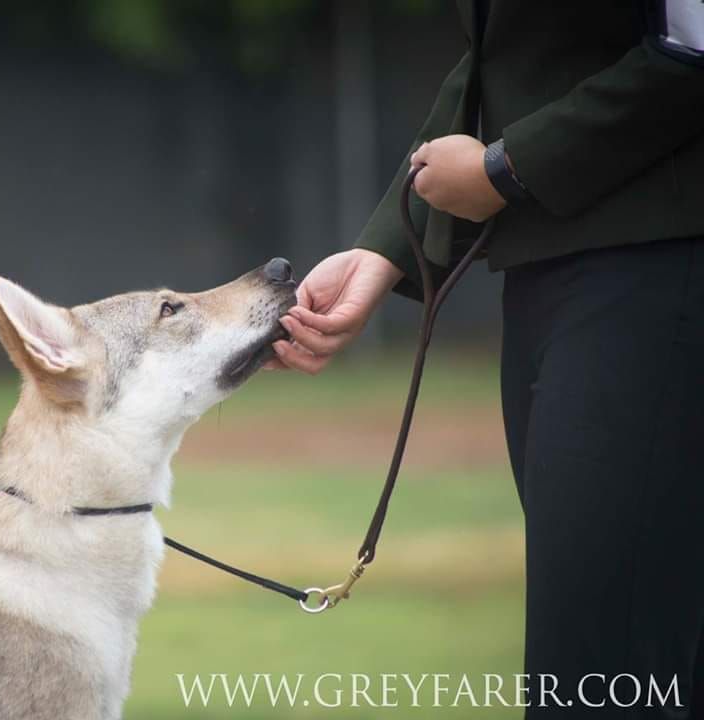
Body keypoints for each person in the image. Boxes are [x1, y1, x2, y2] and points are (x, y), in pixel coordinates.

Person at [271, 2, 704, 717]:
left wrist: (510, 166)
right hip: (555, 276)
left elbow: (692, 45)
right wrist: (386, 246)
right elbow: (496, 64)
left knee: (597, 687)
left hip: (661, 273)